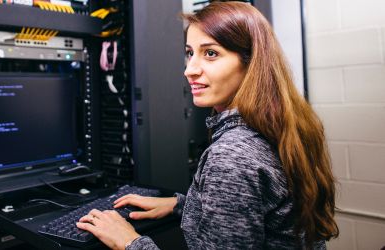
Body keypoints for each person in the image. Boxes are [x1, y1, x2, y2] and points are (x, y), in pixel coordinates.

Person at [76, 1, 339, 249]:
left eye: (210, 53)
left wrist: (129, 241)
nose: (190, 69)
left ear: (251, 64)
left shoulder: (231, 155)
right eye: (190, 53)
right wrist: (184, 204)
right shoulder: (283, 124)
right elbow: (263, 211)